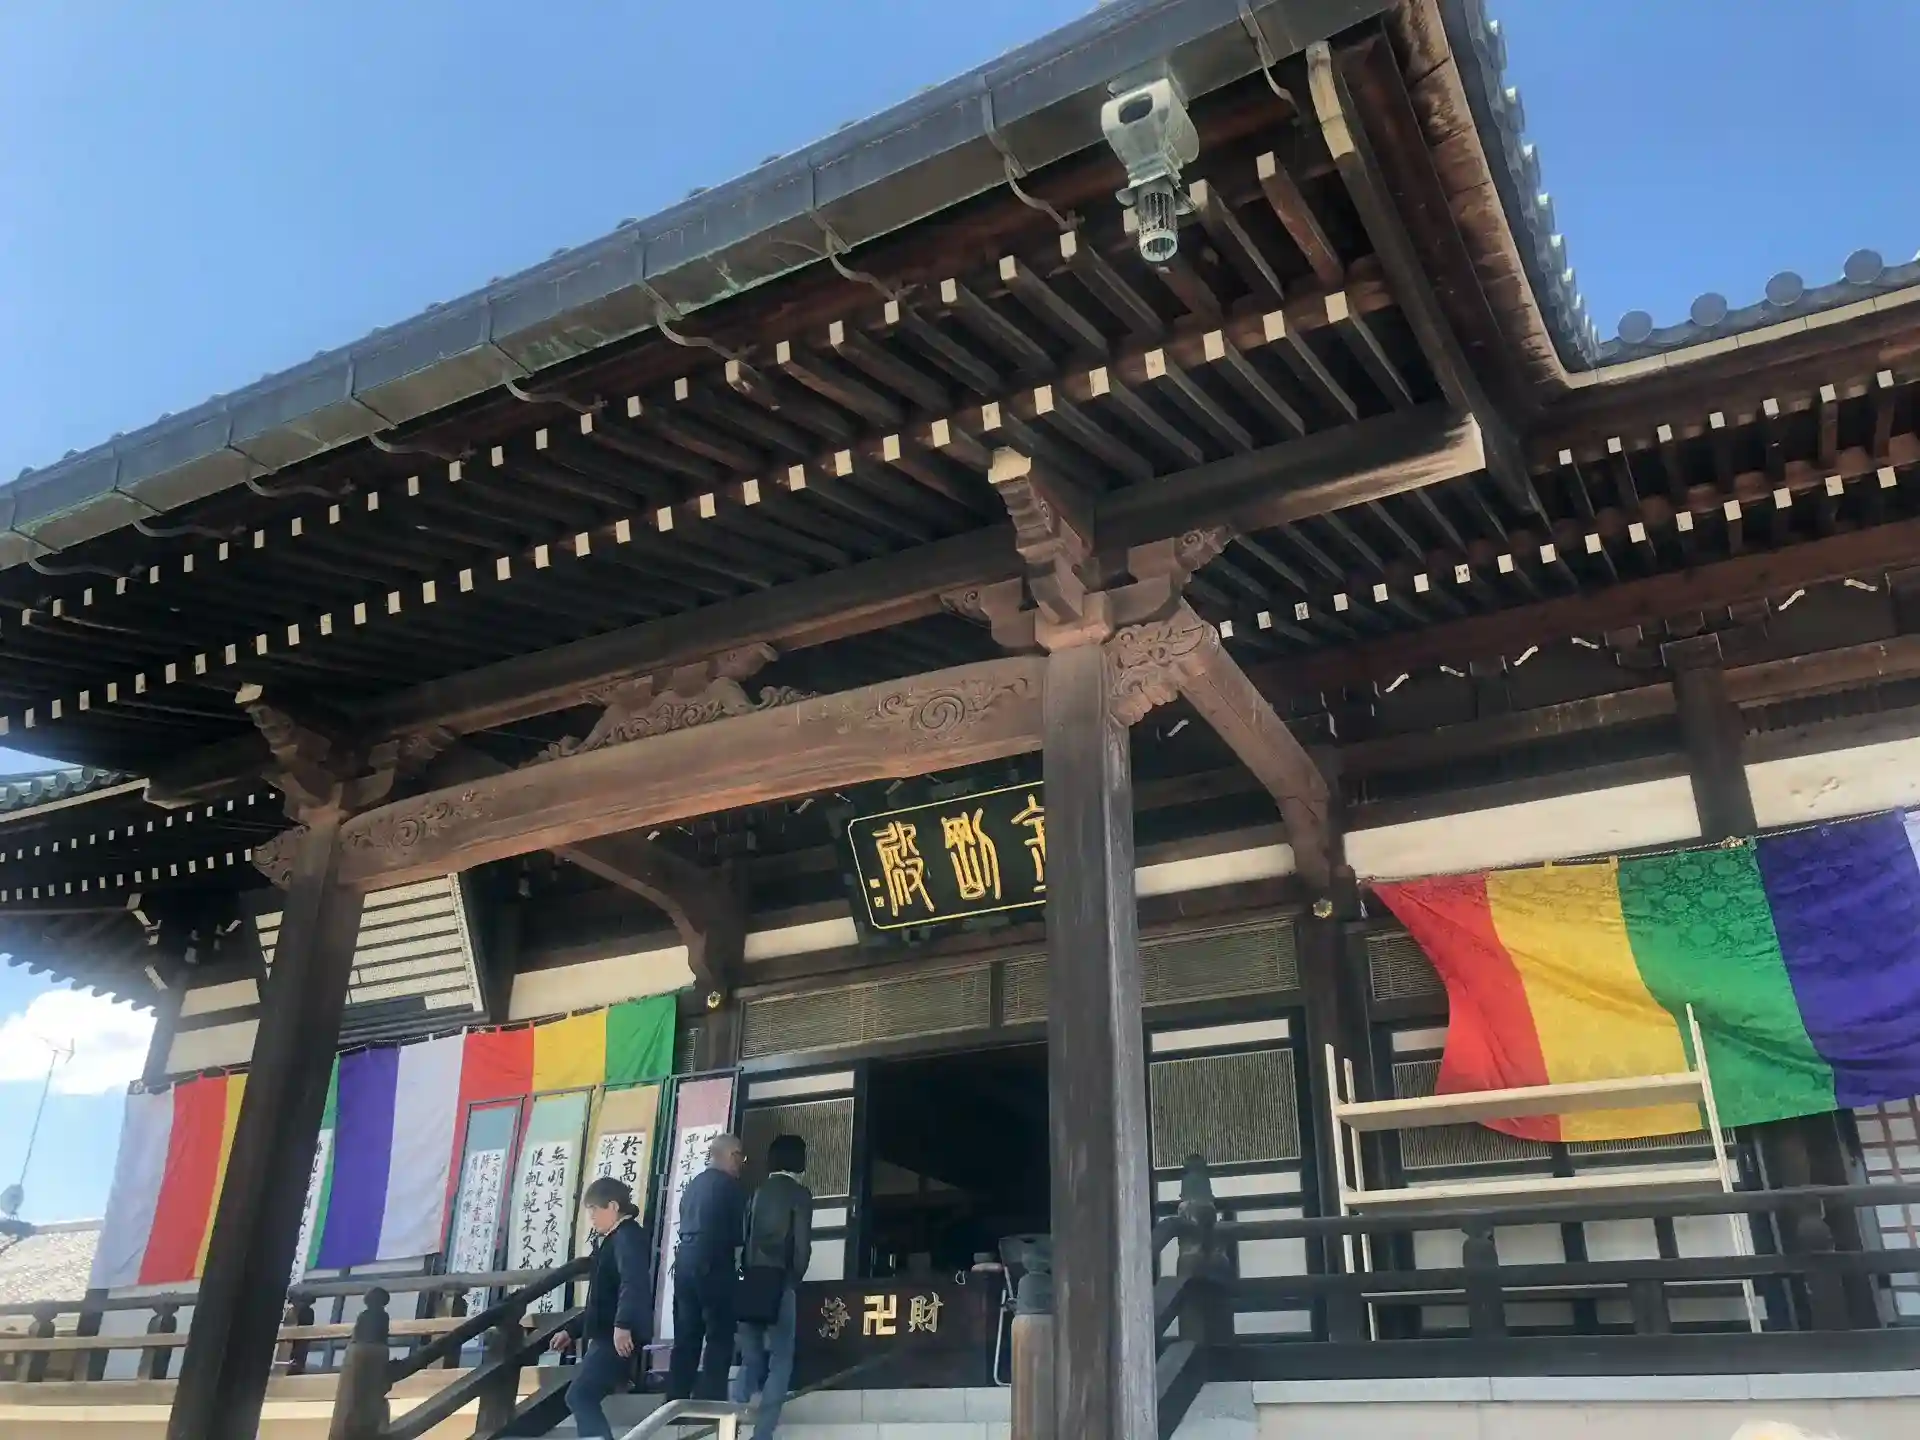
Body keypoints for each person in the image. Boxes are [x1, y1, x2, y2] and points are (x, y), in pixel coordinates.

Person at [549, 1176, 651, 1440]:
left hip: (616, 1335)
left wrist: (623, 1325)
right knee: (581, 1395)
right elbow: (601, 1299)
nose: (591, 1217)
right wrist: (572, 1330)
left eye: (594, 1209)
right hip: (609, 1331)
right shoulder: (616, 1238)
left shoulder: (627, 1237)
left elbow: (633, 1282)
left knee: (580, 1395)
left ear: (613, 1206)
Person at [732, 1134, 813, 1438]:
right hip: (780, 1281)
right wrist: (794, 1278)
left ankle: (729, 1422)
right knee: (780, 1360)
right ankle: (762, 1433)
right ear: (798, 1160)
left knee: (751, 1358)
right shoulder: (799, 1194)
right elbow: (801, 1247)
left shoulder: (756, 1192)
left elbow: (744, 1239)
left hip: (751, 1280)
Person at [666, 1133, 747, 1401]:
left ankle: (675, 1402)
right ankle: (710, 1403)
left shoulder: (694, 1185)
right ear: (732, 1155)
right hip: (714, 1263)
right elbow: (740, 1235)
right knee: (719, 1336)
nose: (742, 1165)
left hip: (684, 1264)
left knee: (686, 1339)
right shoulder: (729, 1186)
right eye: (741, 1158)